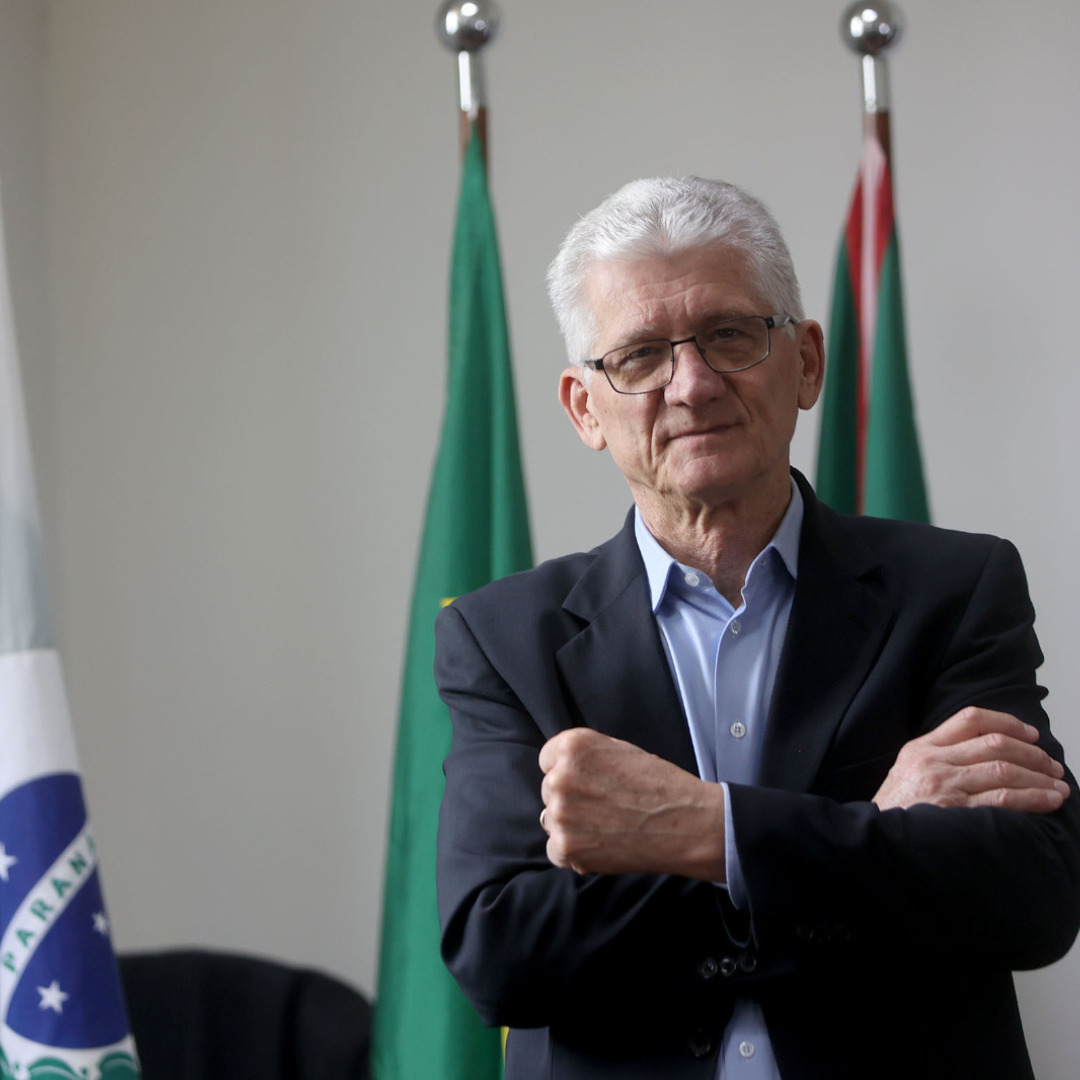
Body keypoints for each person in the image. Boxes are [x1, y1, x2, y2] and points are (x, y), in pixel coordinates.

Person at [434, 176, 1080, 1079]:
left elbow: (1033, 895)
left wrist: (701, 830)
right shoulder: (505, 639)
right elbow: (502, 953)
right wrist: (867, 831)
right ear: (585, 407)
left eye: (731, 335)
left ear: (806, 362)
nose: (692, 384)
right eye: (641, 356)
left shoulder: (956, 590)